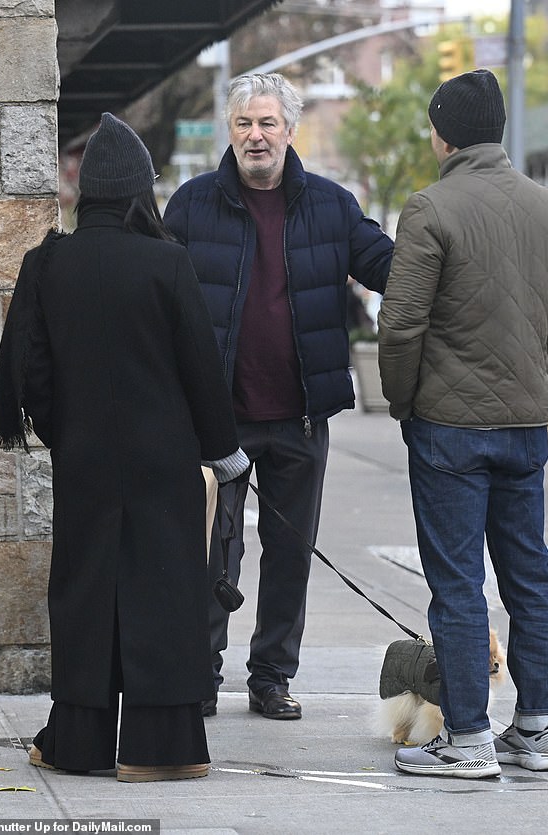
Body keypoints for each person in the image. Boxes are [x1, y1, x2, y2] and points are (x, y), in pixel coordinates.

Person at [0, 113, 249, 782]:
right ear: (139, 192)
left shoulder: (46, 263)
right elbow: (201, 369)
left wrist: (65, 428)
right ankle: (163, 748)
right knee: (162, 591)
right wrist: (224, 449)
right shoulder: (168, 262)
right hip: (164, 461)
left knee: (86, 593)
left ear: (87, 193)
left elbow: (30, 372)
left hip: (85, 459)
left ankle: (79, 740)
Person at [164, 72, 393, 719]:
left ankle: (271, 676)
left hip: (299, 416)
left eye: (267, 123)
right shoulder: (189, 207)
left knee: (290, 554)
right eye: (244, 124)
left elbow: (395, 268)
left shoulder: (332, 207)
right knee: (213, 552)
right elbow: (153, 292)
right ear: (229, 132)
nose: (256, 136)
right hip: (217, 421)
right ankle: (200, 673)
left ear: (291, 132)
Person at [378, 69, 548, 778]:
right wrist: (537, 396)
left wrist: (405, 401)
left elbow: (400, 326)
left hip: (449, 428)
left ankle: (466, 738)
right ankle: (538, 729)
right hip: (524, 425)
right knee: (530, 577)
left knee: (458, 582)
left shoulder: (430, 208)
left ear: (443, 133)